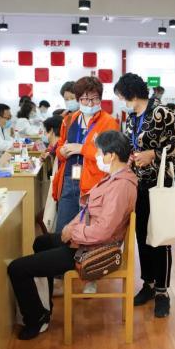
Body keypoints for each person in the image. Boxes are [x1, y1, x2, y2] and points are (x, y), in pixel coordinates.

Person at [7, 131, 138, 340]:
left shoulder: (120, 187)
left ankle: (36, 319)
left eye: (99, 153)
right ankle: (43, 307)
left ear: (111, 155)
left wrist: (73, 232)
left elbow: (103, 231)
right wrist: (70, 226)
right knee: (41, 242)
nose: (96, 157)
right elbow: (89, 211)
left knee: (17, 268)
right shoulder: (115, 177)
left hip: (91, 249)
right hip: (87, 240)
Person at [115, 72, 175, 318]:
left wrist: (153, 154)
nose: (122, 102)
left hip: (161, 183)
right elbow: (131, 145)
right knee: (142, 235)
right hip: (139, 183)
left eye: (122, 97)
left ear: (133, 94)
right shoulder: (132, 118)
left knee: (161, 238)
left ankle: (163, 292)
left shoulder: (161, 113)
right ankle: (149, 284)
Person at [52, 76, 118, 236]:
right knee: (63, 231)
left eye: (95, 99)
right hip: (69, 180)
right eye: (85, 99)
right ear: (78, 99)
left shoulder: (109, 122)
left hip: (93, 185)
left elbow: (111, 157)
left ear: (100, 99)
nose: (90, 104)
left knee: (86, 232)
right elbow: (60, 146)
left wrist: (82, 149)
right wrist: (61, 152)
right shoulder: (69, 120)